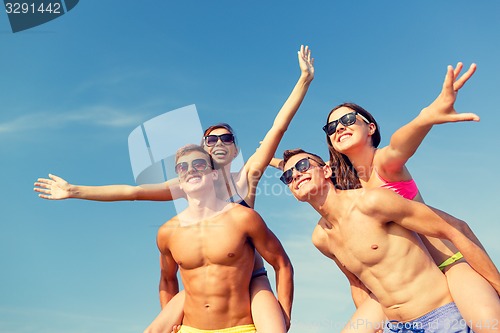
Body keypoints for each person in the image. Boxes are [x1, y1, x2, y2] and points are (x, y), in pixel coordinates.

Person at [34, 45, 314, 332]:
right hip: (201, 285)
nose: (218, 143)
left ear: (235, 149)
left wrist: (303, 80)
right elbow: (134, 192)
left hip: (250, 275)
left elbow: (277, 128)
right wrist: (74, 190)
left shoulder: (247, 177)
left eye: (226, 138)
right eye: (211, 139)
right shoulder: (188, 183)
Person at [270, 62, 500, 331]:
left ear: (371, 128)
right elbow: (312, 175)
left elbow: (402, 143)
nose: (339, 128)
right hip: (403, 286)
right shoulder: (349, 184)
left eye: (347, 120)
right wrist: (285, 166)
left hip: (448, 263)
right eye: (331, 128)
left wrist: (427, 116)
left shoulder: (384, 166)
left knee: (489, 324)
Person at [279, 148, 500, 333]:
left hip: (441, 318)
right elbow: (357, 284)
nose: (296, 175)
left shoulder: (372, 203)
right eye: (288, 176)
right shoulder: (321, 238)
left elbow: (453, 228)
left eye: (302, 166)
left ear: (326, 170)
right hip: (397, 327)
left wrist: (496, 286)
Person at [157, 144, 293, 333]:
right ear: (179, 180)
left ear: (213, 174)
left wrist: (285, 314)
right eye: (182, 167)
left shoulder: (244, 218)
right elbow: (167, 279)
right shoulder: (167, 232)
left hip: (241, 327)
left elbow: (282, 263)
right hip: (190, 328)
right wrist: (170, 318)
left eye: (198, 164)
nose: (190, 170)